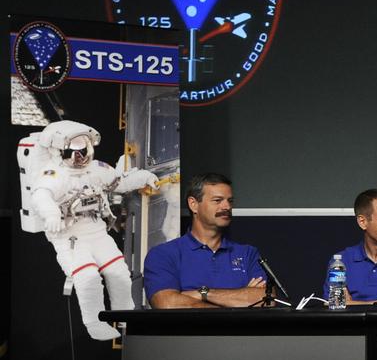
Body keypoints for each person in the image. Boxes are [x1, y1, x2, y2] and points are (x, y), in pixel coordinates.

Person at [26, 120, 157, 339]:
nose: (82, 157)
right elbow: (41, 195)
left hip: (97, 232)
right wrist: (51, 214)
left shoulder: (96, 170)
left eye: (85, 149)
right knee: (87, 278)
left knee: (119, 274)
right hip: (70, 237)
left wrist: (144, 177)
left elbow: (120, 183)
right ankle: (95, 324)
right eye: (75, 152)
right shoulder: (54, 174)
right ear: (60, 151)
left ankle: (125, 316)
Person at [144, 173, 268, 309]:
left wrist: (202, 293)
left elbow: (265, 300)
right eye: (217, 200)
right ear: (193, 205)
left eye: (230, 201)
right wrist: (239, 303)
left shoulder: (248, 254)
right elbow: (167, 304)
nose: (226, 207)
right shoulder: (162, 254)